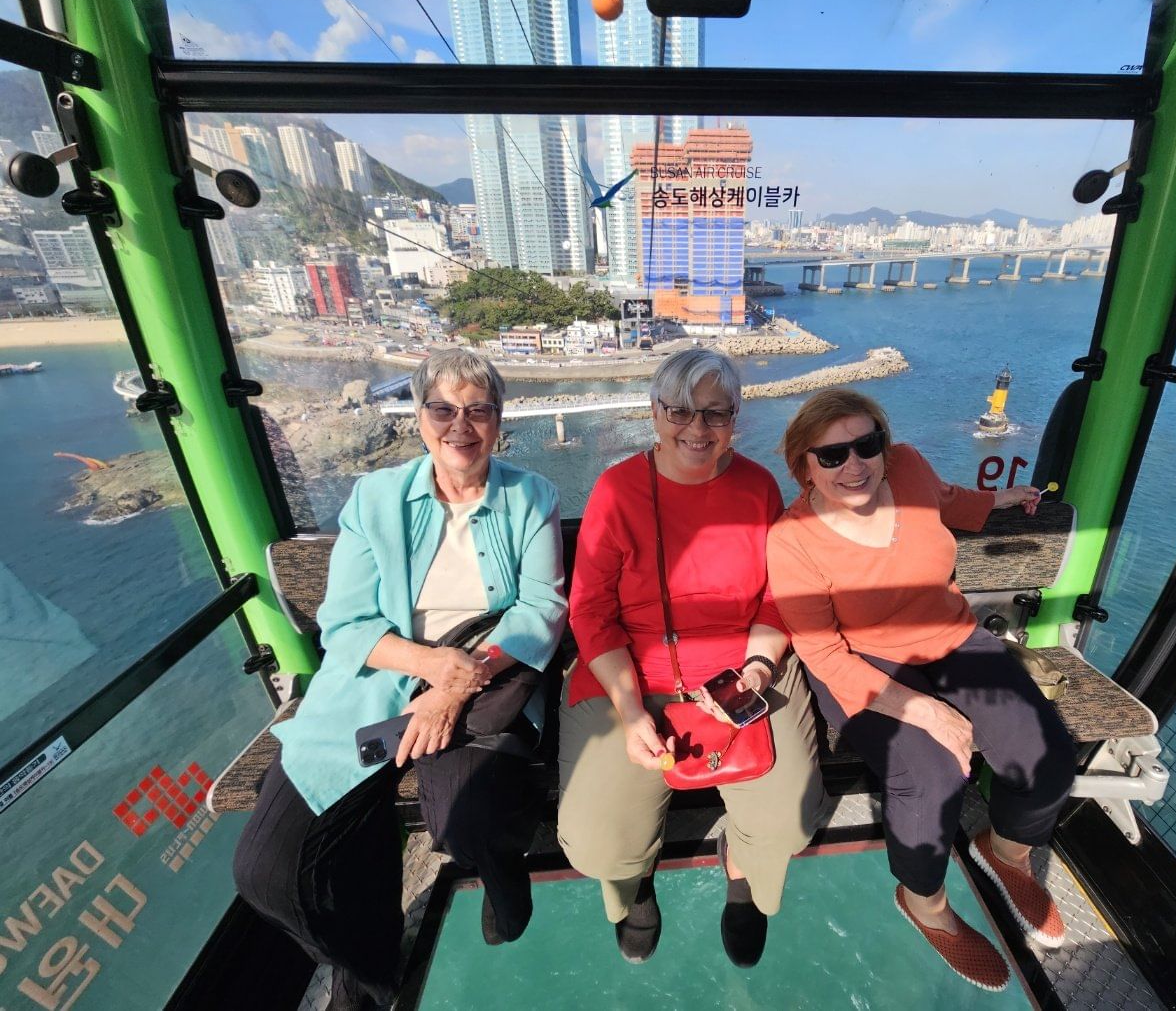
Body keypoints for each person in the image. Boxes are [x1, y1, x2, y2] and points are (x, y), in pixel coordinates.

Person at [233, 349, 567, 1010]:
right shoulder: (378, 499)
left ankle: (505, 887)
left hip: (483, 689)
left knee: (470, 822)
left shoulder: (530, 496)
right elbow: (345, 623)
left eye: (478, 410)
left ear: (500, 421)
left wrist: (456, 686)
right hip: (374, 697)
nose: (460, 426)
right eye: (442, 408)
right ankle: (370, 965)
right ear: (419, 418)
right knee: (266, 868)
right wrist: (428, 669)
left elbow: (542, 607)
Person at [766, 388, 1075, 993]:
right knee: (929, 778)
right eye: (830, 456)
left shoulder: (906, 464)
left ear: (885, 443)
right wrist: (925, 711)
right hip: (862, 661)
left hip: (949, 635)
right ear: (803, 465)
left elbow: (947, 500)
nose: (854, 465)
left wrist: (1001, 499)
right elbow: (821, 650)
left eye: (866, 445)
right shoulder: (792, 539)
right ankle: (923, 901)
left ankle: (1006, 852)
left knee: (1047, 759)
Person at [558, 348, 828, 969]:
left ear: (736, 418)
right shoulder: (617, 490)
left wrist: (758, 671)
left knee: (789, 822)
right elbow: (592, 613)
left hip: (741, 668)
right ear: (655, 413)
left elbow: (775, 594)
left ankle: (744, 871)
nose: (697, 429)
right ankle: (633, 883)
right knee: (598, 840)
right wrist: (630, 713)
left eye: (715, 414)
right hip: (631, 670)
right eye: (679, 410)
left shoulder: (758, 487)